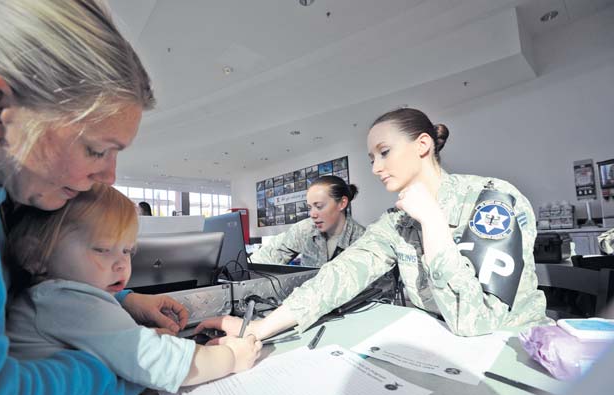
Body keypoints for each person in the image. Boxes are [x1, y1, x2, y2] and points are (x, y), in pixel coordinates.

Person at [0, 1, 189, 395]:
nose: (109, 176)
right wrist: (135, 365)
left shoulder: (5, 190)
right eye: (96, 148)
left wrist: (124, 303)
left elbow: (26, 286)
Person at [198, 107, 551, 339]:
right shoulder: (395, 222)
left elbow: (478, 322)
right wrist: (259, 328)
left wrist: (432, 221)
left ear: (423, 145)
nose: (375, 167)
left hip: (512, 351)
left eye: (384, 152)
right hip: (441, 349)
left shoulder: (494, 201)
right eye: (371, 158)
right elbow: (342, 273)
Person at [6, 184, 262, 392]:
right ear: (35, 255)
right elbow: (158, 362)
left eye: (128, 250)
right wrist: (230, 357)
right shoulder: (68, 298)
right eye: (102, 249)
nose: (121, 264)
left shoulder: (46, 296)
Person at [250, 175, 365, 267]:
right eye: (310, 207)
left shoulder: (363, 240)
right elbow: (270, 254)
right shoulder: (305, 229)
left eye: (319, 206)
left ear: (342, 203)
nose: (312, 214)